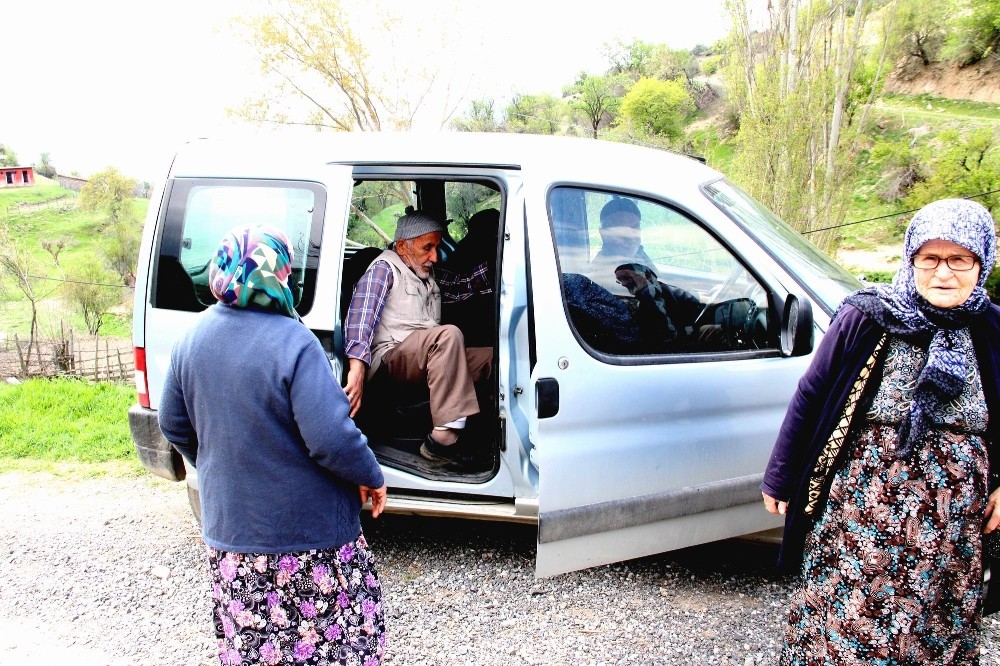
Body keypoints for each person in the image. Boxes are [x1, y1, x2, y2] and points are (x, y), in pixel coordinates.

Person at [760, 198, 1000, 664]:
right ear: (911, 260)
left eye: (959, 259)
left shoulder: (991, 326)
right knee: (852, 612)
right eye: (929, 259)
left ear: (981, 262)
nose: (943, 273)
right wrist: (781, 473)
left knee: (937, 617)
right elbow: (812, 393)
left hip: (953, 509)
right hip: (866, 501)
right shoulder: (869, 315)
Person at [158, 225, 389, 666]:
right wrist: (371, 476)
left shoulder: (191, 339)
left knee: (254, 650)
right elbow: (331, 437)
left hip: (232, 538)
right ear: (279, 274)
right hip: (308, 540)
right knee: (335, 647)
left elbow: (173, 422)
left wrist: (218, 465)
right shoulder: (294, 341)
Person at [344, 210, 493, 466]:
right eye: (428, 248)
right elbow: (360, 318)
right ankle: (442, 441)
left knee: (491, 357)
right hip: (390, 360)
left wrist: (500, 260)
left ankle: (487, 429)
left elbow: (463, 285)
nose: (434, 256)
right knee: (448, 335)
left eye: (436, 247)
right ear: (403, 246)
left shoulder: (425, 272)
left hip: (428, 355)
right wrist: (356, 370)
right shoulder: (384, 269)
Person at [614, 262, 722, 351]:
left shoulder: (651, 294)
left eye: (626, 278)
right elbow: (669, 336)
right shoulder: (651, 294)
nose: (623, 284)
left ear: (646, 276)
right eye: (620, 280)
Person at [589, 197, 657, 281]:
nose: (631, 237)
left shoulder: (638, 254)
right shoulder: (601, 274)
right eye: (621, 230)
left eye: (635, 226)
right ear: (604, 234)